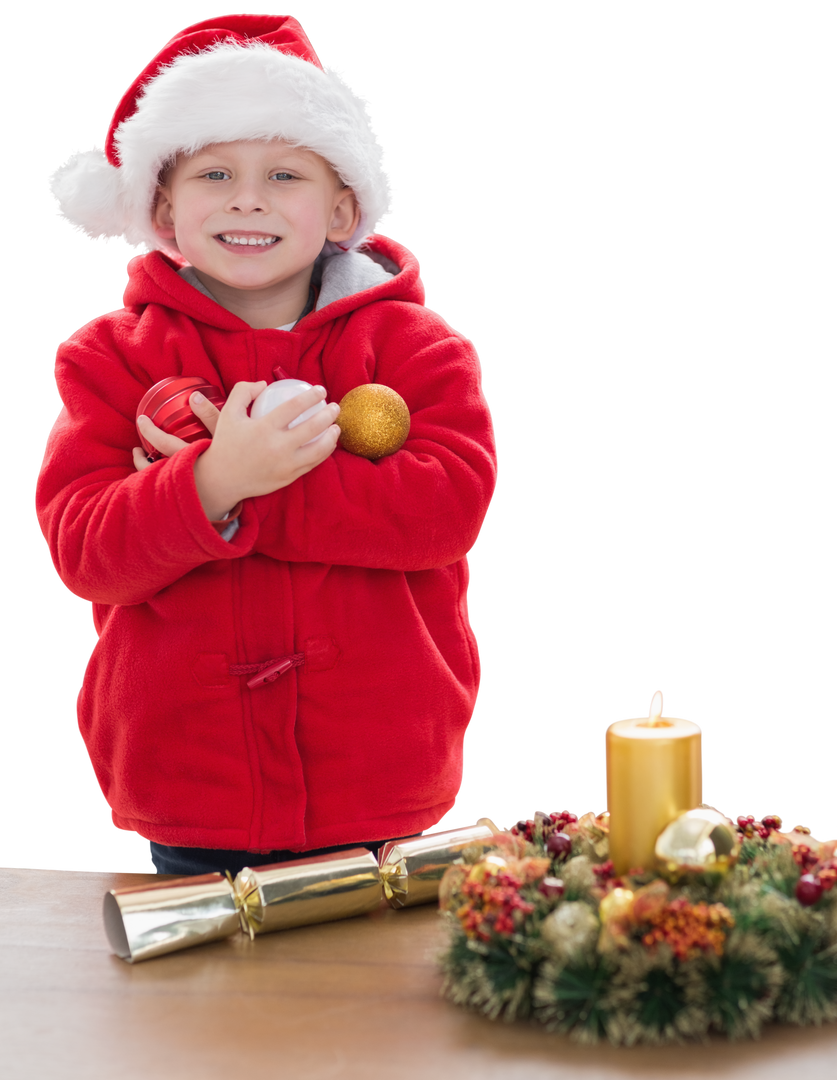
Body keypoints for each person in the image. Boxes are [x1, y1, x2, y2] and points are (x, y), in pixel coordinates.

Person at [35, 13, 498, 877]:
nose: (247, 198)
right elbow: (83, 550)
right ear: (164, 206)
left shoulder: (421, 347)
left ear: (341, 207)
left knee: (369, 1001)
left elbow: (447, 509)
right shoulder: (105, 356)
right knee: (203, 1003)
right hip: (186, 775)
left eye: (283, 173)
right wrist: (206, 484)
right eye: (215, 173)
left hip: (380, 765)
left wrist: (249, 486)